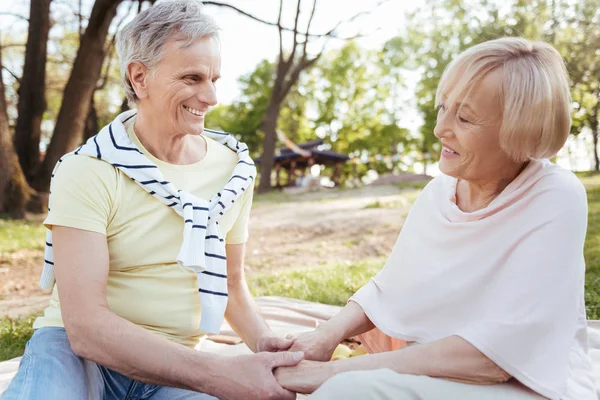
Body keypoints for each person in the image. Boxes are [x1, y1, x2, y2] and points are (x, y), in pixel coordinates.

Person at [2, 2, 303, 400]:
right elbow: (86, 327)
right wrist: (215, 373)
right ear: (140, 77)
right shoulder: (88, 169)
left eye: (214, 78)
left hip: (174, 365)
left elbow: (230, 282)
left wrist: (264, 342)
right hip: (79, 353)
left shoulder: (234, 171)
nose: (210, 96)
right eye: (193, 77)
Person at [275, 37, 598, 400]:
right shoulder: (438, 192)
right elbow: (389, 289)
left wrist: (329, 372)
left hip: (529, 381)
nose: (440, 128)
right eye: (443, 108)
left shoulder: (556, 195)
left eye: (464, 118)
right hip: (432, 367)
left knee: (348, 391)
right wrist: (323, 338)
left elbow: (495, 359)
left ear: (522, 129)